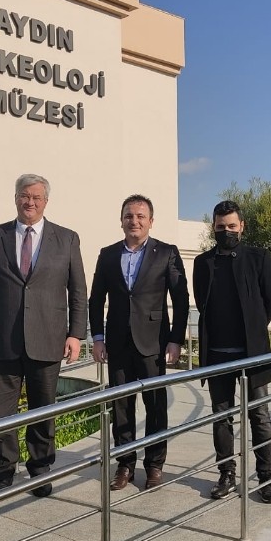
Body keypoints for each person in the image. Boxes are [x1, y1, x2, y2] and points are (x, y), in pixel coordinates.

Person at [0, 174, 87, 497]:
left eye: (36, 197)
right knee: (1, 412)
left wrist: (76, 334)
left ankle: (40, 470)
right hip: (1, 340)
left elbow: (78, 292)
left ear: (46, 201)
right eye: (24, 195)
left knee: (43, 409)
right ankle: (3, 472)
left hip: (48, 338)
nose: (29, 202)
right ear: (15, 197)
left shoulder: (67, 239)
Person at [89, 195, 189, 490]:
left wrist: (176, 339)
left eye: (140, 216)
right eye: (129, 216)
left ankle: (155, 465)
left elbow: (180, 299)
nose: (134, 221)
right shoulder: (108, 254)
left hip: (153, 343)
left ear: (150, 221)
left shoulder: (166, 253)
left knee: (155, 405)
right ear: (121, 220)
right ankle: (125, 464)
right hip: (117, 343)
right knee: (121, 405)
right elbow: (96, 299)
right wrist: (97, 338)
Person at [193, 200, 271, 503]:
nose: (226, 231)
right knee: (222, 417)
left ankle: (266, 478)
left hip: (252, 355)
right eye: (221, 227)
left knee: (260, 416)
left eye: (232, 226)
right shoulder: (202, 263)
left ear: (242, 227)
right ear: (214, 228)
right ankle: (226, 474)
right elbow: (202, 303)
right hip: (217, 355)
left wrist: (253, 328)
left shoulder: (259, 258)